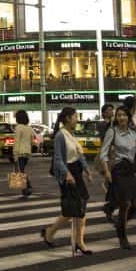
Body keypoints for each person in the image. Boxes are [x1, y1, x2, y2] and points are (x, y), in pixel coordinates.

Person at [42, 107, 92, 254]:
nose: (77, 120)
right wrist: (67, 174)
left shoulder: (71, 134)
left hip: (77, 172)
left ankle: (78, 241)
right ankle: (51, 232)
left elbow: (79, 154)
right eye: (76, 117)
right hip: (67, 174)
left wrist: (87, 170)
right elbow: (58, 159)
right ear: (68, 118)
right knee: (72, 209)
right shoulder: (60, 135)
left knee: (80, 206)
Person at [100, 107, 136, 249]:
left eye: (124, 115)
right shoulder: (112, 132)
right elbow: (103, 153)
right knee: (125, 204)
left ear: (128, 117)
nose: (121, 117)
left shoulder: (134, 133)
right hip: (118, 170)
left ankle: (119, 222)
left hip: (131, 169)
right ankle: (122, 236)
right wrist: (106, 172)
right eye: (119, 115)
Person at [13, 109, 34, 198]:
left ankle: (28, 187)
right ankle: (25, 190)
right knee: (22, 170)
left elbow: (17, 141)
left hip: (20, 152)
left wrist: (15, 154)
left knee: (20, 171)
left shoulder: (18, 128)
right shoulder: (29, 128)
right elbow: (31, 141)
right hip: (27, 152)